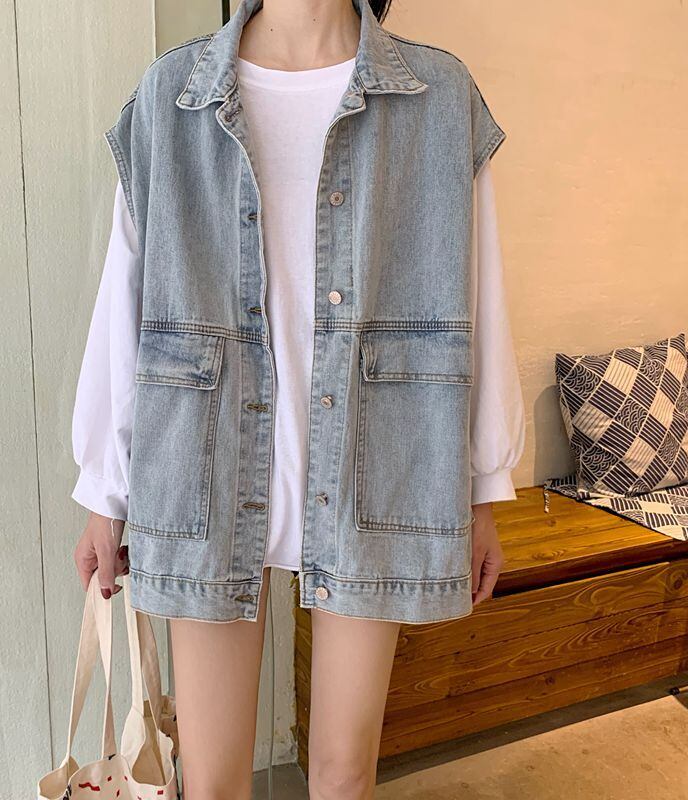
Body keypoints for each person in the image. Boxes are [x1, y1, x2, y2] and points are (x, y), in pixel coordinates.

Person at [71, 0, 525, 797]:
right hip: (207, 468)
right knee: (212, 781)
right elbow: (125, 304)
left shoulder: (438, 94)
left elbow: (479, 298)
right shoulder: (173, 93)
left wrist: (484, 485)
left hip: (377, 470)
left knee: (345, 774)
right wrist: (105, 493)